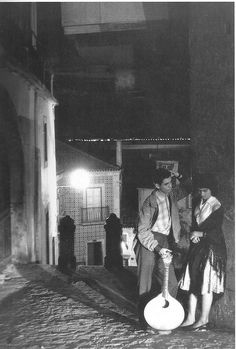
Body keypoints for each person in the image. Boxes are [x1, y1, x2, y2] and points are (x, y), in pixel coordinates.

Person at [134, 167, 190, 330]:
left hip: (164, 241)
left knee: (172, 283)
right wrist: (158, 249)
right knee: (145, 285)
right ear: (156, 185)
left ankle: (162, 316)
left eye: (171, 183)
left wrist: (178, 175)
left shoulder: (171, 195)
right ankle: (145, 322)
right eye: (166, 184)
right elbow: (142, 231)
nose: (170, 186)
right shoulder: (149, 202)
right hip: (148, 242)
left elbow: (189, 186)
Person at [179, 174, 227, 331]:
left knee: (206, 281)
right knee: (192, 278)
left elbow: (216, 231)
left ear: (212, 190)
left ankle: (204, 318)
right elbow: (195, 225)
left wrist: (201, 235)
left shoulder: (217, 206)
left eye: (205, 191)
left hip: (212, 247)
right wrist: (194, 235)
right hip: (198, 247)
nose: (202, 194)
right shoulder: (197, 202)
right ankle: (190, 316)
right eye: (200, 191)